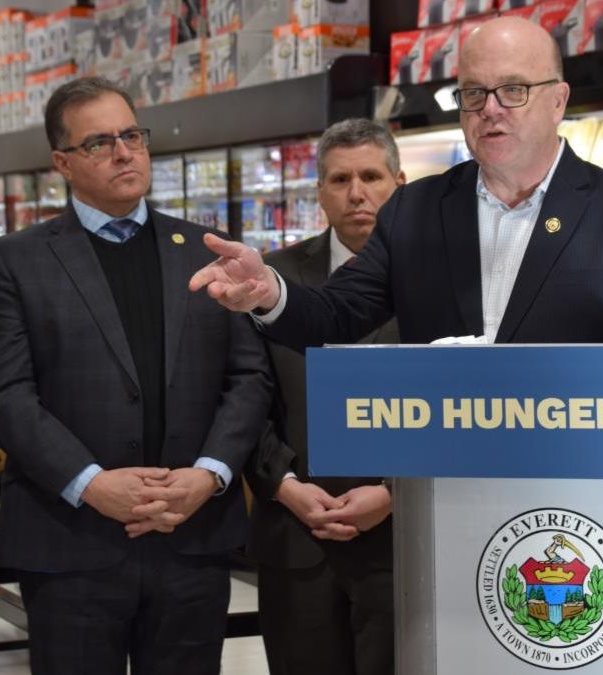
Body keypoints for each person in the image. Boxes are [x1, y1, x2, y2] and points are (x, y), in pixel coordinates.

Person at [0, 77, 272, 675]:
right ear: (62, 162)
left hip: (192, 537)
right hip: (72, 542)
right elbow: (4, 395)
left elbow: (249, 376)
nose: (124, 152)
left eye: (132, 135)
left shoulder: (204, 250)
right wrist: (90, 483)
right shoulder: (17, 260)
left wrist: (208, 476)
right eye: (100, 142)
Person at [189, 16, 603, 349]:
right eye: (473, 93)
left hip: (581, 494)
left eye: (513, 90)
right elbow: (338, 311)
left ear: (558, 100)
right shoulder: (416, 209)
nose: (490, 110)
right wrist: (268, 292)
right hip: (443, 491)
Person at [245, 118, 404, 675]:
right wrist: (286, 487)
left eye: (370, 176)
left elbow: (461, 400)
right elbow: (246, 397)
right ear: (318, 192)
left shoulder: (437, 281)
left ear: (399, 183)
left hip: (402, 540)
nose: (356, 192)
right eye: (339, 180)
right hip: (296, 538)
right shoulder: (273, 279)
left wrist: (393, 493)